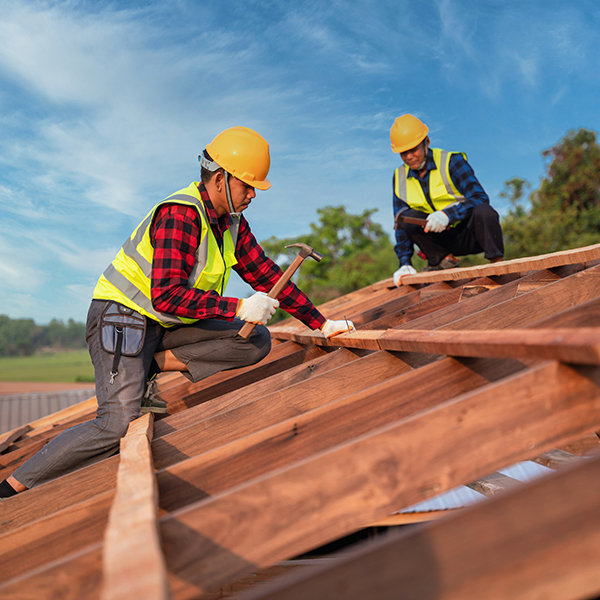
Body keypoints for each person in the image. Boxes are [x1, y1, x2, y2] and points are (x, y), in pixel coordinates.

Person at [0, 126, 354, 499]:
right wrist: (238, 305)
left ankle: (146, 365)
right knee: (116, 422)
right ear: (220, 179)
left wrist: (322, 323)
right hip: (122, 319)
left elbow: (264, 272)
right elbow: (167, 296)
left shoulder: (231, 223)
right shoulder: (181, 215)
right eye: (247, 185)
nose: (252, 194)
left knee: (255, 339)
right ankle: (9, 488)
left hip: (162, 327)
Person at [390, 114, 504, 286]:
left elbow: (479, 197)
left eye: (413, 149)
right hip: (439, 243)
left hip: (470, 235)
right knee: (407, 217)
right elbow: (400, 222)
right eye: (403, 153)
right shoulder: (399, 177)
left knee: (484, 211)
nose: (409, 157)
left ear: (426, 142)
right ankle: (444, 261)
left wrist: (448, 215)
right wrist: (404, 262)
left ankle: (498, 264)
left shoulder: (451, 162)